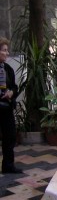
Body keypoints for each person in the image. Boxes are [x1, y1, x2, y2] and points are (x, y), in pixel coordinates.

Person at [0, 37, 22, 174]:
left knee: (10, 136)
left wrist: (11, 92)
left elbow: (14, 86)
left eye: (7, 50)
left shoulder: (7, 68)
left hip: (6, 107)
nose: (7, 53)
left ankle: (8, 165)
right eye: (4, 50)